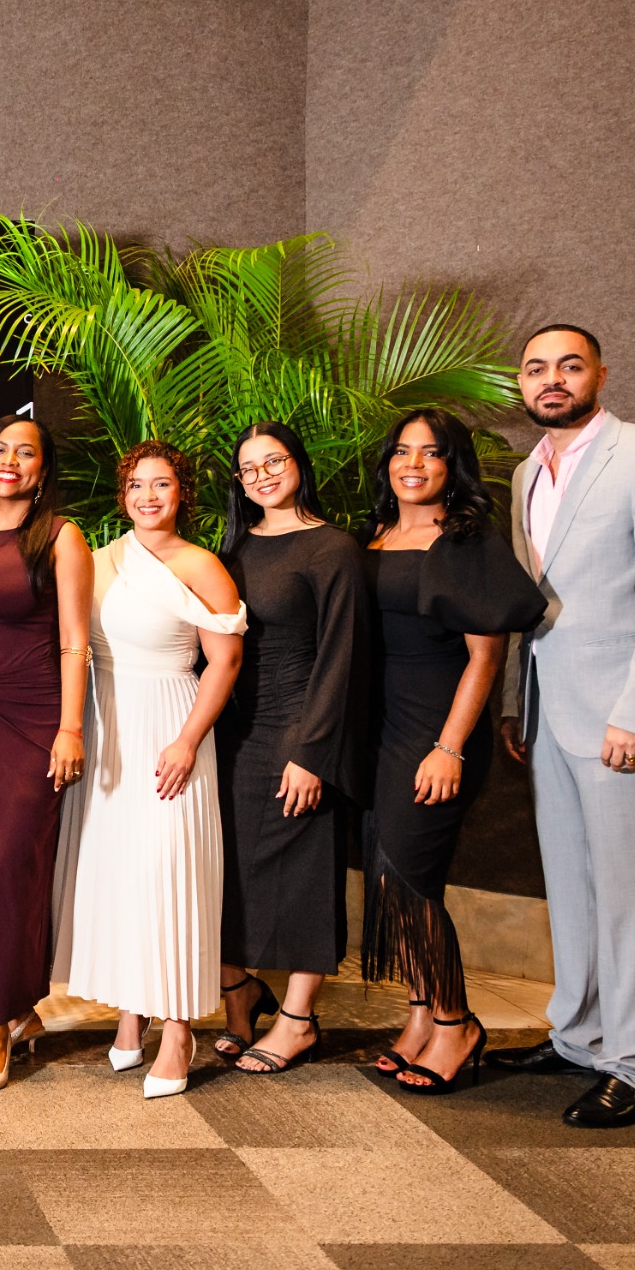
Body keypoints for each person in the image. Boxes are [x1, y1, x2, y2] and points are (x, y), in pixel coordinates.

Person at [491, 326, 635, 1127]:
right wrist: (516, 699)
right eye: (536, 368)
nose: (551, 379)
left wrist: (634, 711)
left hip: (624, 716)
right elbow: (529, 602)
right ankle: (579, 1036)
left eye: (569, 366)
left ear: (600, 375)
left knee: (626, 893)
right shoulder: (527, 473)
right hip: (550, 707)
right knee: (572, 884)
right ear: (522, 382)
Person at [358, 409, 548, 1092]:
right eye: (402, 451)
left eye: (431, 453)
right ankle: (421, 1016)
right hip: (380, 728)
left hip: (435, 728)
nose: (413, 464)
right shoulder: (375, 535)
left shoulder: (465, 540)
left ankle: (456, 1022)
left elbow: (485, 656)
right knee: (387, 878)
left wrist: (449, 747)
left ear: (451, 465)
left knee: (409, 878)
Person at [68, 443, 247, 1099]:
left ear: (182, 493)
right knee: (124, 875)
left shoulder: (202, 564)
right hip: (109, 727)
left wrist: (187, 740)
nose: (148, 496)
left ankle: (178, 1030)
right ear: (123, 495)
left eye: (162, 484)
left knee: (172, 874)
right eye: (137, 485)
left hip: (173, 726)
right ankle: (131, 1012)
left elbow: (225, 661)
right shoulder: (98, 560)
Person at [214, 422, 368, 1074]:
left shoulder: (333, 547)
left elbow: (343, 655)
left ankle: (299, 1019)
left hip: (300, 728)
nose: (263, 477)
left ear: (298, 463)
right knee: (226, 873)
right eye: (249, 469)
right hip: (236, 733)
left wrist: (313, 752)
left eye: (273, 462)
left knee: (306, 875)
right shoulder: (235, 545)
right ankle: (240, 998)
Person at [0, 416, 93, 1096]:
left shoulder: (62, 537)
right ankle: (22, 1004)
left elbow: (74, 641)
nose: (9, 460)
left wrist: (70, 728)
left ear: (43, 469)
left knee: (9, 864)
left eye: (25, 452)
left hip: (37, 720)